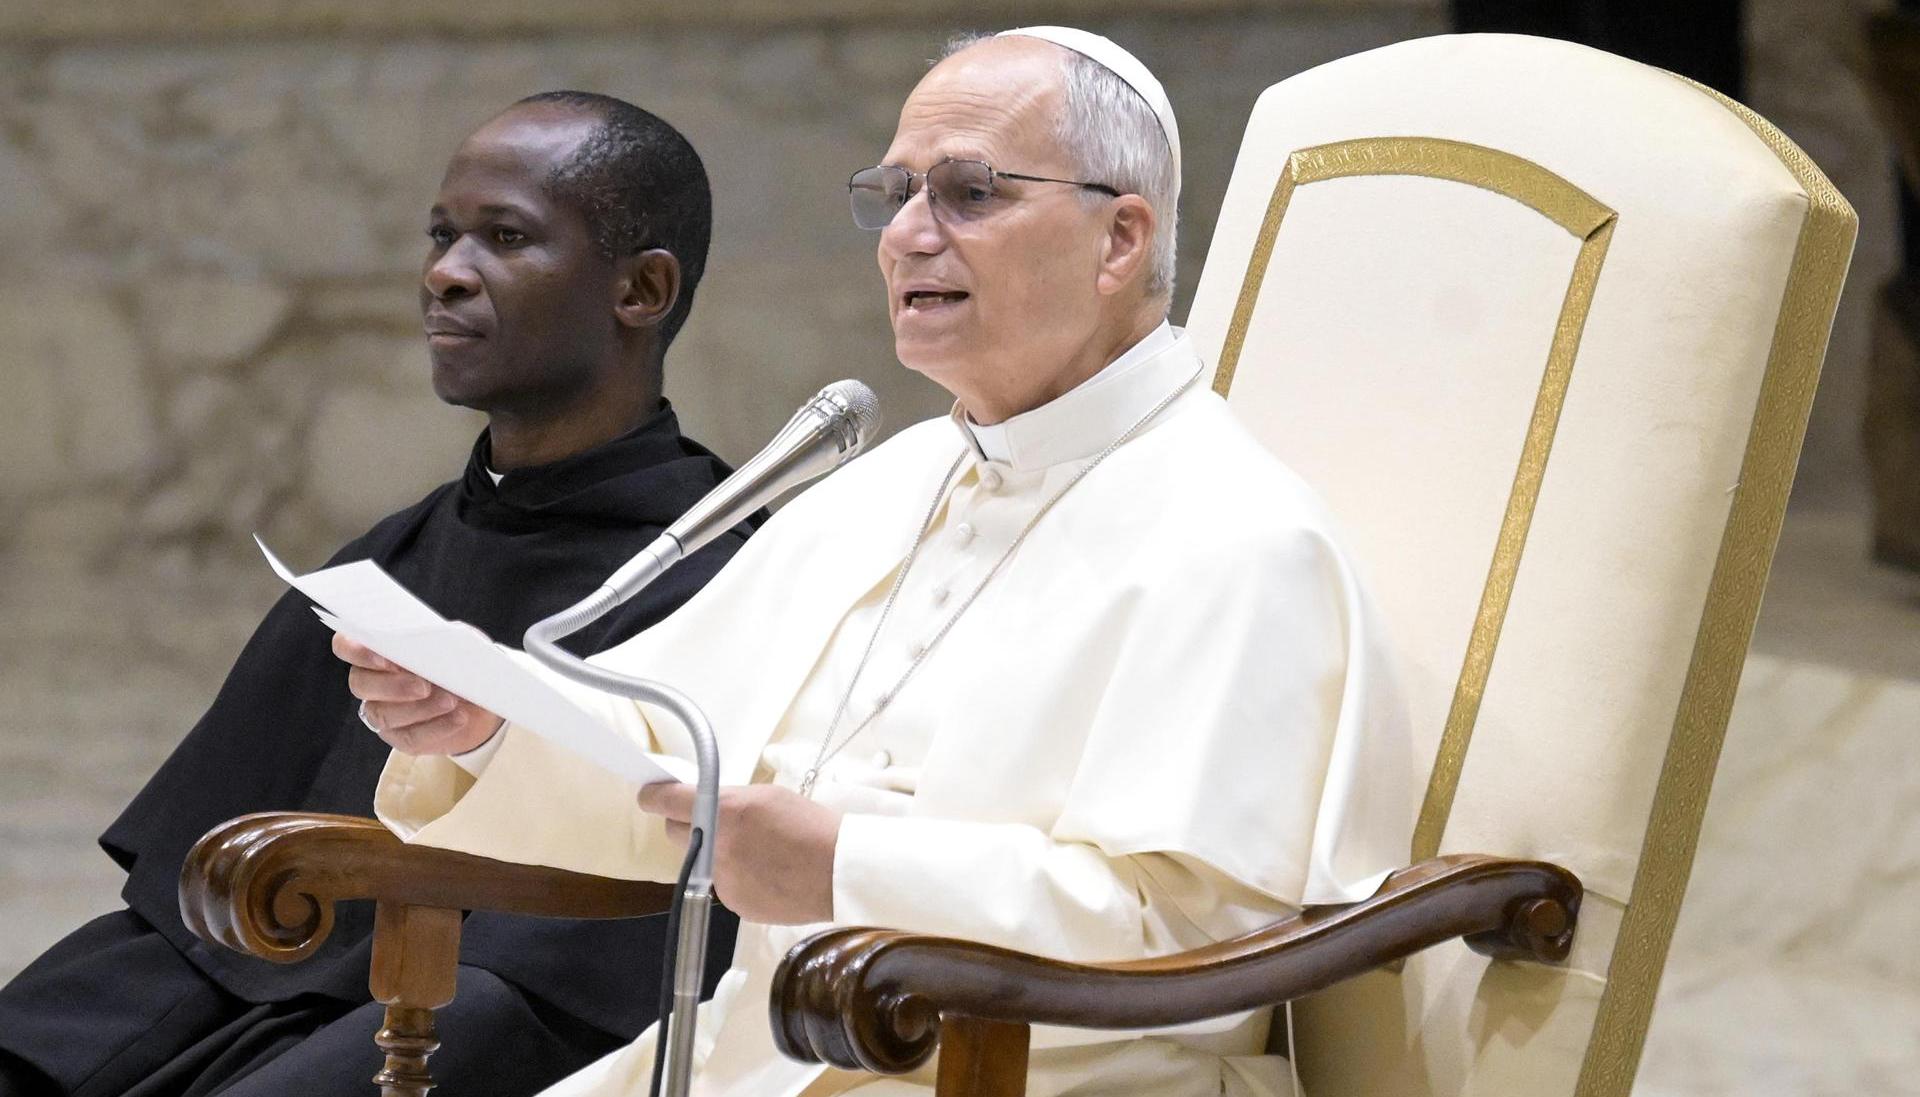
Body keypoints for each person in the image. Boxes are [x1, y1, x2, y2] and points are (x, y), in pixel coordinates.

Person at [351, 29, 1416, 1097]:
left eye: (967, 193)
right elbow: (679, 749)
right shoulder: (898, 479)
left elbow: (1195, 933)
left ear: (1120, 239)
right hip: (760, 1055)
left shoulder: (1240, 537)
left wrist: (843, 868)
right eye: (896, 192)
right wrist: (488, 727)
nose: (906, 235)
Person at [0, 92, 747, 1097]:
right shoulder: (392, 556)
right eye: (442, 236)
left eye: (505, 237)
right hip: (256, 992)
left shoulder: (736, 573)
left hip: (497, 1018)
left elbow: (602, 957)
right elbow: (192, 913)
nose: (445, 272)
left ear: (641, 289)